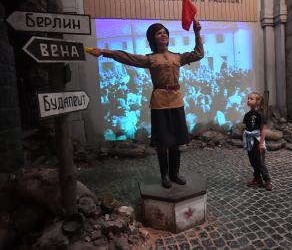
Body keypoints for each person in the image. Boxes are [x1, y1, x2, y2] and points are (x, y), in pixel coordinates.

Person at [87, 20, 204, 188]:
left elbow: (199, 53)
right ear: (152, 39)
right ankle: (164, 176)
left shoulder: (177, 57)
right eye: (158, 33)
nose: (163, 34)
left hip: (176, 101)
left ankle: (174, 174)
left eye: (165, 32)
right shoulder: (150, 59)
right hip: (160, 102)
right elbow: (127, 57)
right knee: (163, 141)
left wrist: (197, 32)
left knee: (177, 140)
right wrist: (104, 51)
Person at [242, 92, 273, 191]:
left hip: (257, 139)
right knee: (252, 160)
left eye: (251, 99)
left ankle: (267, 180)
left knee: (260, 161)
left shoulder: (261, 114)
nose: (248, 100)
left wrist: (261, 143)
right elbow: (246, 127)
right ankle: (257, 178)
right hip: (249, 140)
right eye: (248, 98)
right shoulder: (247, 115)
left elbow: (263, 129)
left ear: (258, 102)